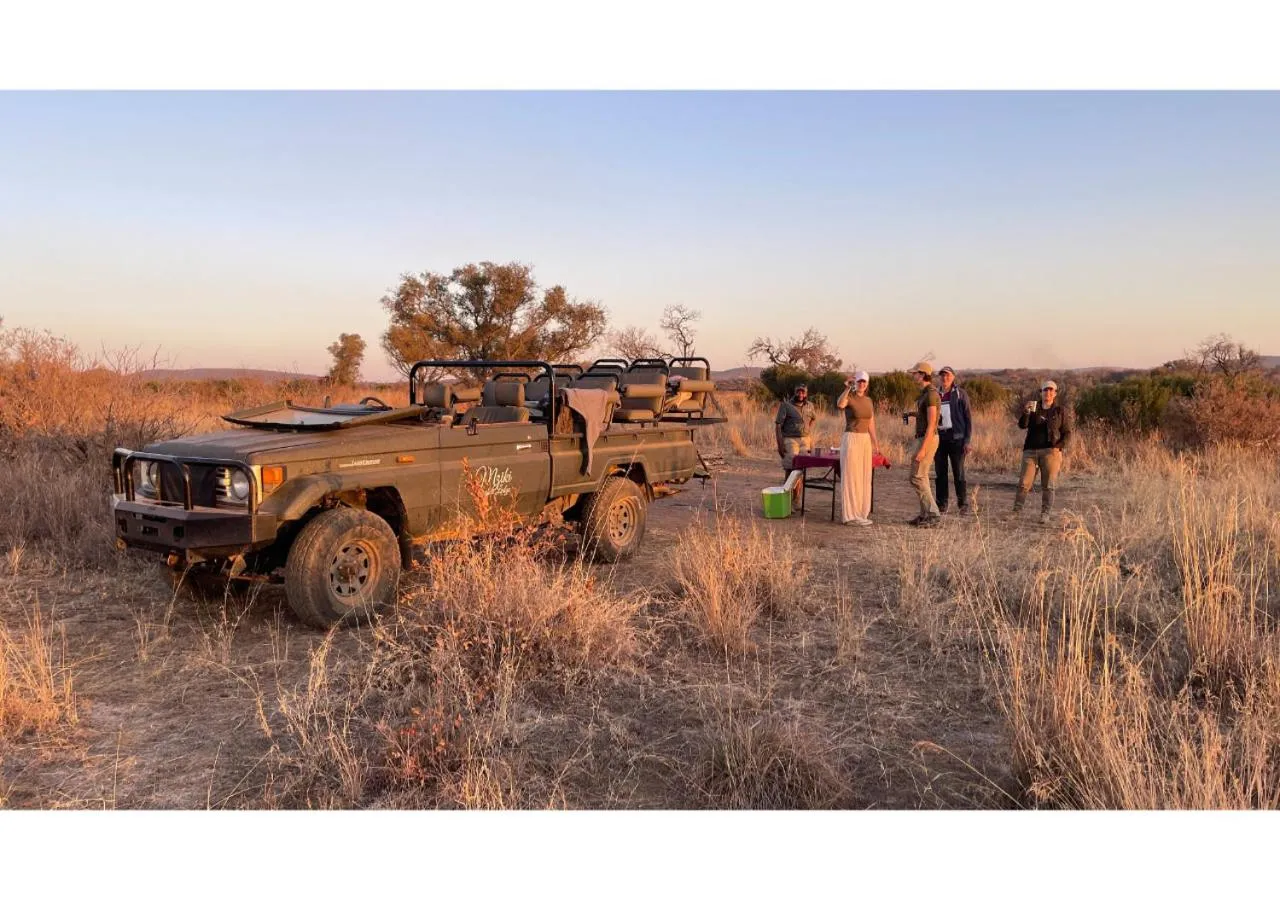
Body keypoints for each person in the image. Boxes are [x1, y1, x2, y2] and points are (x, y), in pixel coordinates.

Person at [1013, 380, 1073, 524]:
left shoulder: (1059, 411)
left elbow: (1067, 432)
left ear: (1055, 393)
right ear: (1041, 392)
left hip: (1050, 451)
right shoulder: (1034, 407)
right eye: (1045, 390)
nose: (1048, 393)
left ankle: (1045, 514)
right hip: (1031, 451)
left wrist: (1059, 447)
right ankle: (1016, 511)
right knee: (1024, 483)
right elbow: (1022, 425)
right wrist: (1026, 412)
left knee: (1048, 485)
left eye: (1051, 390)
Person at [836, 370, 881, 526]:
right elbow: (840, 404)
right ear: (855, 382)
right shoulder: (849, 397)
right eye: (859, 381)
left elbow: (871, 423)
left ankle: (862, 512)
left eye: (864, 382)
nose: (861, 384)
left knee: (863, 476)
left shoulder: (868, 401)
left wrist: (876, 442)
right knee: (851, 476)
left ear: (867, 384)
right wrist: (847, 388)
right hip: (852, 438)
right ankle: (850, 515)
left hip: (865, 440)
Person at [903, 362, 942, 527]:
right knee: (921, 476)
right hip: (924, 437)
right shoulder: (926, 394)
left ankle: (932, 514)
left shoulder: (931, 394)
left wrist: (923, 448)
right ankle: (925, 514)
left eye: (915, 374)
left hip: (927, 439)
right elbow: (927, 416)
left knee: (916, 477)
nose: (913, 376)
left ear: (922, 374)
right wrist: (912, 414)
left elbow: (932, 423)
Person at [934, 366, 973, 514]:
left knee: (959, 472)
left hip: (957, 438)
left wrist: (967, 441)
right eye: (942, 375)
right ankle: (941, 504)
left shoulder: (960, 394)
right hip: (939, 438)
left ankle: (963, 505)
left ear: (953, 377)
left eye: (948, 375)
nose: (945, 378)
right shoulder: (935, 394)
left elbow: (968, 419)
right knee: (940, 472)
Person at [775, 383, 817, 508]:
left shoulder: (810, 406)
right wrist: (780, 444)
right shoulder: (786, 405)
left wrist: (808, 430)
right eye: (798, 392)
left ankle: (796, 502)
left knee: (800, 471)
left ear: (806, 393)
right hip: (790, 439)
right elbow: (778, 425)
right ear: (795, 392)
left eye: (803, 392)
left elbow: (813, 418)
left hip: (805, 440)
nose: (801, 394)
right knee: (790, 469)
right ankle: (786, 503)